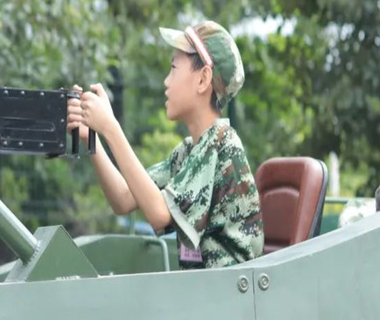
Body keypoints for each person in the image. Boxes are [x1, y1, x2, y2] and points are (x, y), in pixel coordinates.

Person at [67, 20, 263, 269]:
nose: (166, 82)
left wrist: (111, 127)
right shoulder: (189, 151)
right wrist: (90, 137)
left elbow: (159, 215)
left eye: (173, 68)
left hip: (229, 297)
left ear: (203, 80)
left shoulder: (222, 143)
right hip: (206, 296)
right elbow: (124, 198)